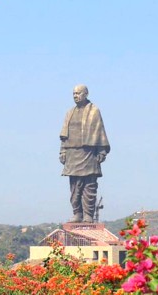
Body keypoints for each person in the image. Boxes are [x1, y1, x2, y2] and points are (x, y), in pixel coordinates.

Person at [59, 84, 110, 223]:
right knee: (75, 187)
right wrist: (62, 151)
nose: (75, 96)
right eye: (74, 93)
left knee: (89, 186)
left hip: (88, 153)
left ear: (86, 94)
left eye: (78, 93)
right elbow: (64, 136)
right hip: (72, 153)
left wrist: (101, 151)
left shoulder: (94, 111)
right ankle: (77, 213)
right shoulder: (70, 113)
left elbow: (99, 132)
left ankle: (88, 214)